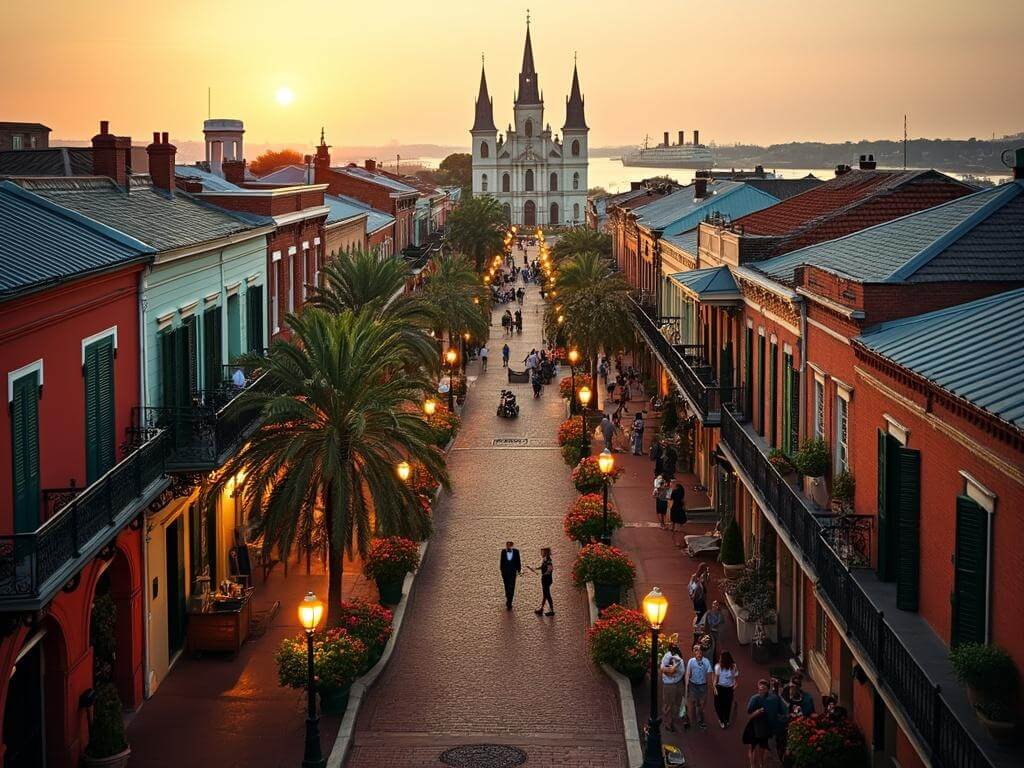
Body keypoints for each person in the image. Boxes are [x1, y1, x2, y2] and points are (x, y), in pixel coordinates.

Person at [743, 679, 779, 768]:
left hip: (765, 726)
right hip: (754, 725)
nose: (761, 689)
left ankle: (761, 764)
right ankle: (752, 765)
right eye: (760, 688)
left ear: (767, 689)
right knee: (752, 746)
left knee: (762, 747)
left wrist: (776, 687)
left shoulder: (771, 698)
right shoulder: (754, 698)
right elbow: (749, 712)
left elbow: (776, 700)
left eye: (763, 688)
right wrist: (757, 712)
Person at [684, 643, 713, 730]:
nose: (698, 652)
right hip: (693, 685)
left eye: (699, 650)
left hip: (703, 686)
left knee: (701, 704)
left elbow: (709, 674)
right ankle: (690, 719)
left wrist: (712, 686)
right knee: (691, 703)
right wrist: (686, 685)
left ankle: (701, 720)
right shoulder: (691, 661)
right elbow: (688, 673)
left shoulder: (706, 661)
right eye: (696, 650)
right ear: (694, 652)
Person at [660, 638, 685, 732]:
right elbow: (663, 669)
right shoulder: (668, 656)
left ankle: (673, 719)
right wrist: (671, 670)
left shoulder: (678, 656)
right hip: (669, 685)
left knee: (677, 702)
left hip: (678, 682)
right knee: (668, 704)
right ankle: (668, 723)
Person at [712, 650, 738, 728]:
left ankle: (726, 720)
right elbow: (716, 679)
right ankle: (721, 720)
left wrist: (735, 685)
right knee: (718, 705)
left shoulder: (733, 667)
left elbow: (734, 677)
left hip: (729, 688)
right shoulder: (718, 667)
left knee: (727, 705)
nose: (719, 659)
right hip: (719, 687)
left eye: (721, 658)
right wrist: (714, 688)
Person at [529, 547, 555, 616]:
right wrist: (535, 568)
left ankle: (551, 610)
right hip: (545, 579)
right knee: (545, 594)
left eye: (542, 552)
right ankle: (542, 609)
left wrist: (545, 573)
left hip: (547, 580)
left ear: (545, 553)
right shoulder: (545, 559)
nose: (541, 554)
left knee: (547, 595)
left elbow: (550, 569)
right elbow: (542, 567)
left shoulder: (548, 560)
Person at [499, 541, 522, 610]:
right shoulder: (503, 552)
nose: (508, 547)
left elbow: (518, 561)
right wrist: (502, 571)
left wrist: (519, 570)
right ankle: (508, 597)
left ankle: (509, 602)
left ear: (512, 546)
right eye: (507, 545)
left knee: (511, 587)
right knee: (506, 586)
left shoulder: (516, 552)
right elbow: (501, 562)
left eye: (509, 545)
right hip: (505, 573)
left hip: (512, 572)